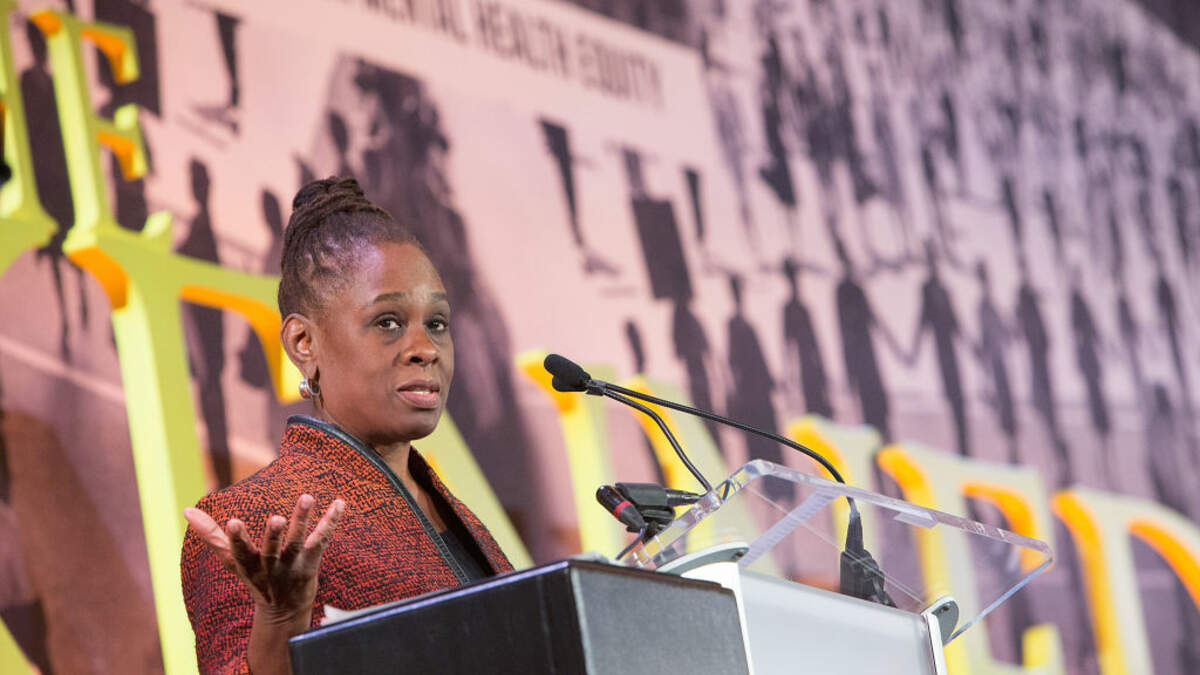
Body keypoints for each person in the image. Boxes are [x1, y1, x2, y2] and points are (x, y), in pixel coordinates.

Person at [181, 178, 514, 675]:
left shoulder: (459, 518)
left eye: (437, 323)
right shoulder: (251, 520)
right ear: (304, 343)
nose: (426, 348)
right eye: (388, 322)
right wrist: (282, 621)